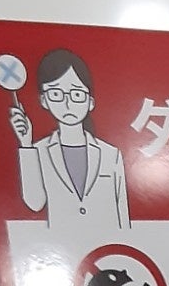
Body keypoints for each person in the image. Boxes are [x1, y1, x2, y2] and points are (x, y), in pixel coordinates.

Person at [10, 49, 130, 233]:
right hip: (62, 243)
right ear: (44, 100)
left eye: (77, 94)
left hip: (109, 245)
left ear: (90, 102)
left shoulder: (110, 154)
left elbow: (122, 213)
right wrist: (26, 144)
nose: (68, 104)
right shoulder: (37, 151)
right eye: (56, 94)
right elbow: (34, 203)